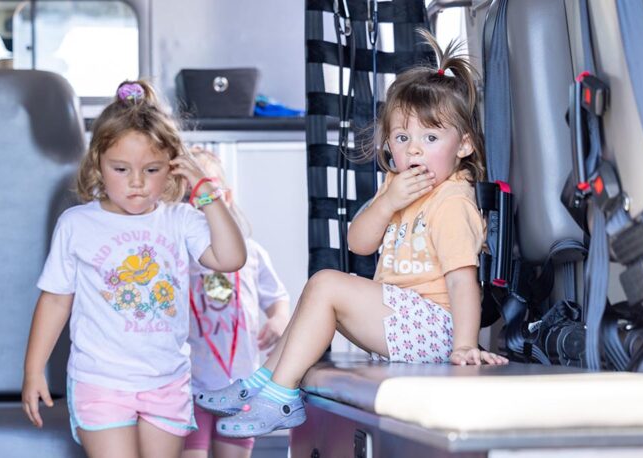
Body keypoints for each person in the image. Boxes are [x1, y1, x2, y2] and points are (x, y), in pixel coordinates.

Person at [195, 30, 509, 439]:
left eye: (430, 138)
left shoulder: (452, 201)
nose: (414, 151)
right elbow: (358, 243)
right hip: (400, 315)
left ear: (464, 145)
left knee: (326, 285)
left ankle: (281, 394)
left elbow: (462, 280)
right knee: (318, 292)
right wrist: (387, 201)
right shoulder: (397, 187)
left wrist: (465, 345)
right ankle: (265, 378)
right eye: (402, 138)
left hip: (435, 327)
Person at [21, 80, 246, 458]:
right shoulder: (77, 224)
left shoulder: (181, 219)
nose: (137, 183)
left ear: (173, 167)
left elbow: (230, 258)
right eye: (121, 169)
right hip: (101, 380)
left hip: (167, 381)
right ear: (98, 164)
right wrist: (33, 370)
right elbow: (56, 301)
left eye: (153, 169)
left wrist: (204, 188)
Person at [181, 149, 291, 458]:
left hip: (240, 384)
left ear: (225, 196)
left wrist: (278, 320)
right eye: (190, 193)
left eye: (208, 191)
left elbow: (278, 298)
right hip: (190, 387)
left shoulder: (251, 253)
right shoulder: (179, 254)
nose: (200, 200)